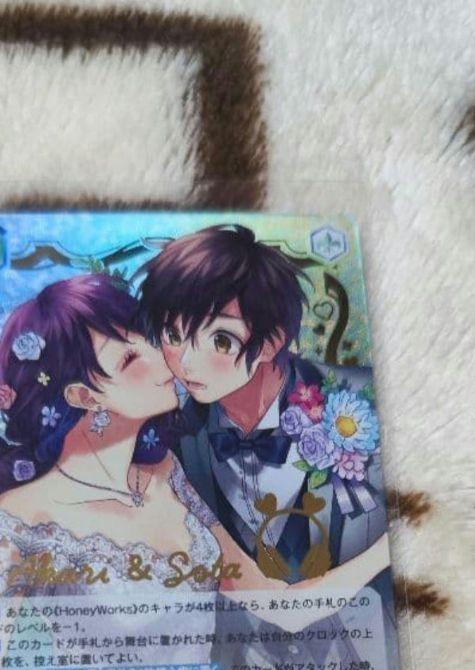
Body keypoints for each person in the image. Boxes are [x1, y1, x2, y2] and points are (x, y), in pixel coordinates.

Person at [0, 273, 389, 625]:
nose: (164, 358)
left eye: (148, 337)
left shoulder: (166, 474)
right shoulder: (23, 513)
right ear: (84, 397)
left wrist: (389, 547)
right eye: (129, 358)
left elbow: (280, 608)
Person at [137, 223, 387, 580]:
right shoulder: (172, 430)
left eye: (221, 340)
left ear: (271, 342)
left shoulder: (362, 397)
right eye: (173, 335)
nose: (186, 362)